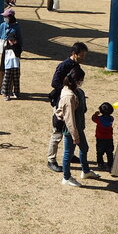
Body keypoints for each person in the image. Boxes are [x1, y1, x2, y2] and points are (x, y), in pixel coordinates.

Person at [47, 42, 87, 172]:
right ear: (74, 54)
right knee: (58, 132)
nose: (83, 57)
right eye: (82, 55)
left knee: (69, 131)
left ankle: (69, 155)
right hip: (61, 102)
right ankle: (51, 160)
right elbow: (54, 83)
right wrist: (67, 91)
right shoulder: (64, 66)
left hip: (69, 101)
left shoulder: (76, 65)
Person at [55, 70, 100, 187]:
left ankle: (85, 171)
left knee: (84, 148)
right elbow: (69, 120)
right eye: (81, 80)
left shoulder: (75, 91)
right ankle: (66, 177)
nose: (82, 82)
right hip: (71, 130)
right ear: (76, 81)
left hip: (78, 127)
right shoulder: (69, 97)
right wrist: (75, 136)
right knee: (68, 153)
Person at [0, 7, 22, 94]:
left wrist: (19, 51)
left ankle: (10, 89)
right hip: (2, 48)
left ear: (11, 17)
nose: (5, 19)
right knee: (0, 68)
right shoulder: (2, 25)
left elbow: (20, 39)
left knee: (12, 69)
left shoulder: (16, 27)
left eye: (6, 17)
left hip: (12, 50)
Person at [92, 101, 115, 172]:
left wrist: (95, 114)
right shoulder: (111, 119)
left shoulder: (98, 119)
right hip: (109, 138)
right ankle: (109, 165)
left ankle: (100, 163)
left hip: (100, 138)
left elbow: (93, 118)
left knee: (99, 152)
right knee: (109, 153)